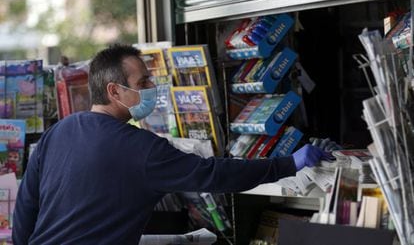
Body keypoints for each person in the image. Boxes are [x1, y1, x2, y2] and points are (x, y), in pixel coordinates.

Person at [13, 44, 327, 245]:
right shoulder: (141, 149)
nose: (153, 88)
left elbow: (26, 206)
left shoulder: (59, 132)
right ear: (114, 91)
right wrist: (288, 164)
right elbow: (213, 175)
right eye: (143, 83)